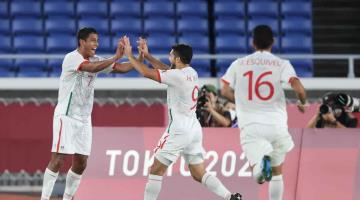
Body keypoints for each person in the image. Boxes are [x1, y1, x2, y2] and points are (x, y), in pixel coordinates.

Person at [122, 36, 242, 200]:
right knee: (198, 172)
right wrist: (148, 56)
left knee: (156, 170)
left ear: (177, 59)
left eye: (171, 55)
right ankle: (230, 196)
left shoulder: (177, 76)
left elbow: (145, 72)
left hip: (179, 129)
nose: (169, 58)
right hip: (193, 128)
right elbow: (167, 70)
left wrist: (129, 55)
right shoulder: (191, 72)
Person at [40, 27, 140, 200]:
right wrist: (115, 57)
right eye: (93, 40)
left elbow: (122, 69)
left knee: (81, 162)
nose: (96, 44)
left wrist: (139, 59)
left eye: (97, 40)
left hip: (84, 119)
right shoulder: (72, 58)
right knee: (58, 158)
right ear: (82, 42)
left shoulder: (97, 60)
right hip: (66, 115)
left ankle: (68, 198)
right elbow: (92, 68)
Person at [221, 25, 307, 200]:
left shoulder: (239, 63)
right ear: (273, 42)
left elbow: (224, 90)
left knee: (258, 175)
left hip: (251, 126)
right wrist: (302, 102)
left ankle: (261, 168)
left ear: (253, 43)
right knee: (277, 173)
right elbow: (299, 89)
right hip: (276, 125)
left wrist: (243, 103)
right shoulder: (282, 64)